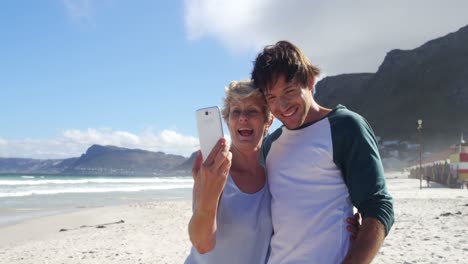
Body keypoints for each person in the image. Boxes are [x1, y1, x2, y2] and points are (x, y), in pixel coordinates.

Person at [185, 80, 361, 264]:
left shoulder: (274, 174)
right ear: (228, 121)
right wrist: (208, 196)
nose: (243, 117)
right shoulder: (214, 173)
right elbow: (201, 244)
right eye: (236, 111)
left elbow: (302, 217)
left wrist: (348, 226)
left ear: (268, 120)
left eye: (252, 111)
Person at [251, 40, 394, 264]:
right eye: (272, 97)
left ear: (309, 81)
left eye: (289, 91)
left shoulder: (344, 126)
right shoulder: (271, 145)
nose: (283, 105)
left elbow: (378, 205)